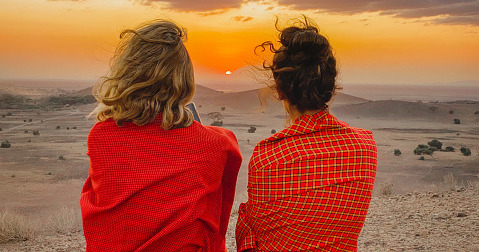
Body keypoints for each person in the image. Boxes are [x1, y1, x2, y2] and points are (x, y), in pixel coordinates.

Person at [80, 20, 242, 252]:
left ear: (127, 74)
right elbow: (217, 222)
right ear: (184, 79)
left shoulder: (101, 137)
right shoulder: (219, 144)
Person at [236, 17, 377, 251]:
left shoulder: (267, 157)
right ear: (330, 88)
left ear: (280, 91)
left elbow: (256, 238)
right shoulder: (364, 147)